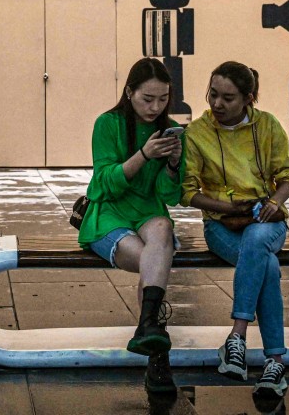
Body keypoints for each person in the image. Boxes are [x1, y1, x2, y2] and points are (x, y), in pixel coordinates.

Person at [182, 61, 289, 399]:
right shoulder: (197, 133)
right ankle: (275, 361)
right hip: (221, 227)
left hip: (267, 222)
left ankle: (237, 337)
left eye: (228, 98)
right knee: (267, 264)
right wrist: (226, 208)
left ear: (248, 98)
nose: (217, 104)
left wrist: (275, 202)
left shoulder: (268, 126)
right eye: (213, 95)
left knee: (259, 236)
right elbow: (187, 191)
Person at [77, 58, 183, 393]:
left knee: (162, 232)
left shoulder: (172, 129)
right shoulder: (107, 124)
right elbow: (105, 184)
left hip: (148, 209)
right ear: (129, 92)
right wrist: (144, 154)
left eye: (163, 99)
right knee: (154, 262)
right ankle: (156, 352)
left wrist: (174, 165)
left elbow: (170, 195)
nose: (155, 107)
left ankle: (148, 330)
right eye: (147, 99)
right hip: (109, 211)